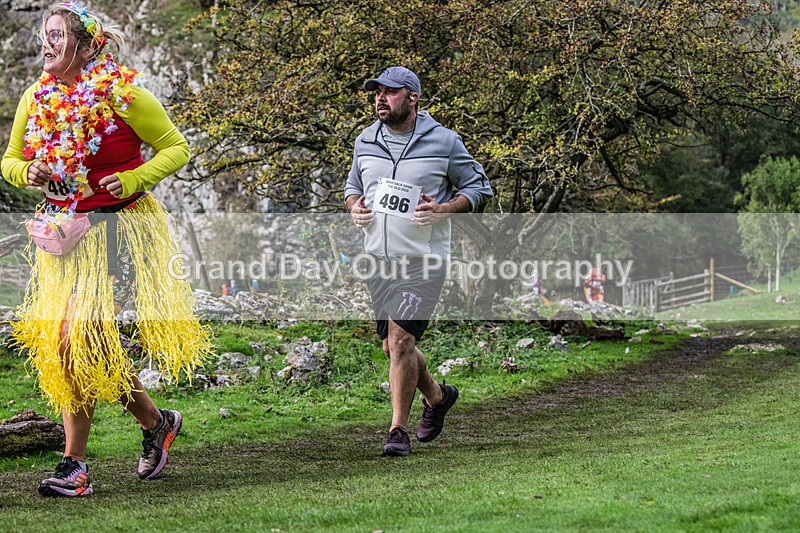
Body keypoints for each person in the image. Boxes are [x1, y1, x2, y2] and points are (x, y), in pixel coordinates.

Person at [1, 2, 212, 497]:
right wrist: (25, 172)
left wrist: (135, 177)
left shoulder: (125, 96)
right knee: (76, 344)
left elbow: (177, 147)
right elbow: (9, 159)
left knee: (77, 339)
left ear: (87, 43)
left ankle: (73, 466)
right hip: (61, 229)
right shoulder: (37, 96)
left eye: (57, 35)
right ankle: (156, 423)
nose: (46, 43)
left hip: (116, 229)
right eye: (43, 34)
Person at [345, 66, 493, 456]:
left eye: (390, 92)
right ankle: (439, 397)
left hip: (424, 260)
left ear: (412, 98)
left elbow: (479, 187)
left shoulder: (443, 141)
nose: (380, 98)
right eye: (376, 92)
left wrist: (443, 208)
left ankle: (397, 431)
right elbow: (354, 188)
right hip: (377, 258)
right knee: (392, 348)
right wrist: (354, 209)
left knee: (401, 338)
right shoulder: (365, 140)